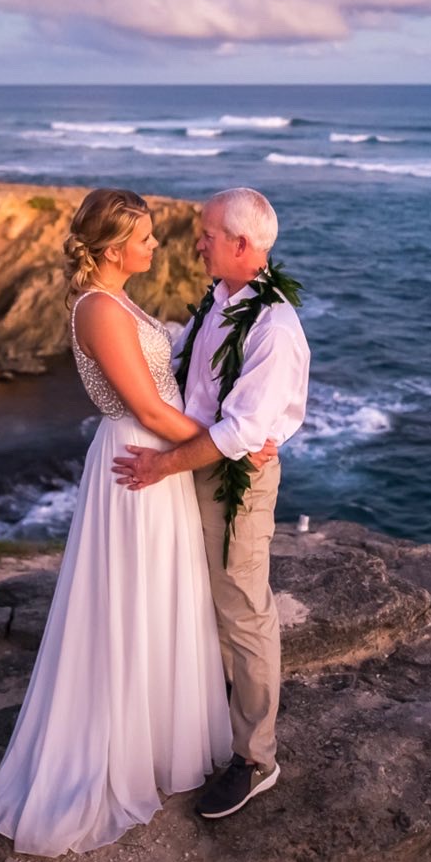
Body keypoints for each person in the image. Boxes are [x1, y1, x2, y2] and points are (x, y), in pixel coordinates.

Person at [0, 188, 273, 855]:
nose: (159, 246)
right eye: (147, 238)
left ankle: (158, 739)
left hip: (160, 461)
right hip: (139, 462)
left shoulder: (119, 298)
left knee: (162, 600)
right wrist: (232, 441)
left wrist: (223, 429)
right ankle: (115, 751)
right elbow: (152, 410)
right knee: (130, 604)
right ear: (111, 249)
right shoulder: (99, 309)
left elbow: (173, 378)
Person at [112, 187, 309, 821]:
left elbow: (239, 434)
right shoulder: (220, 300)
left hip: (235, 483)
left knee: (244, 609)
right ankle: (208, 725)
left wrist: (160, 463)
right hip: (193, 464)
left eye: (207, 235)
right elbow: (190, 375)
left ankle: (255, 758)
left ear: (243, 246)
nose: (196, 243)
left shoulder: (274, 325)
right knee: (203, 600)